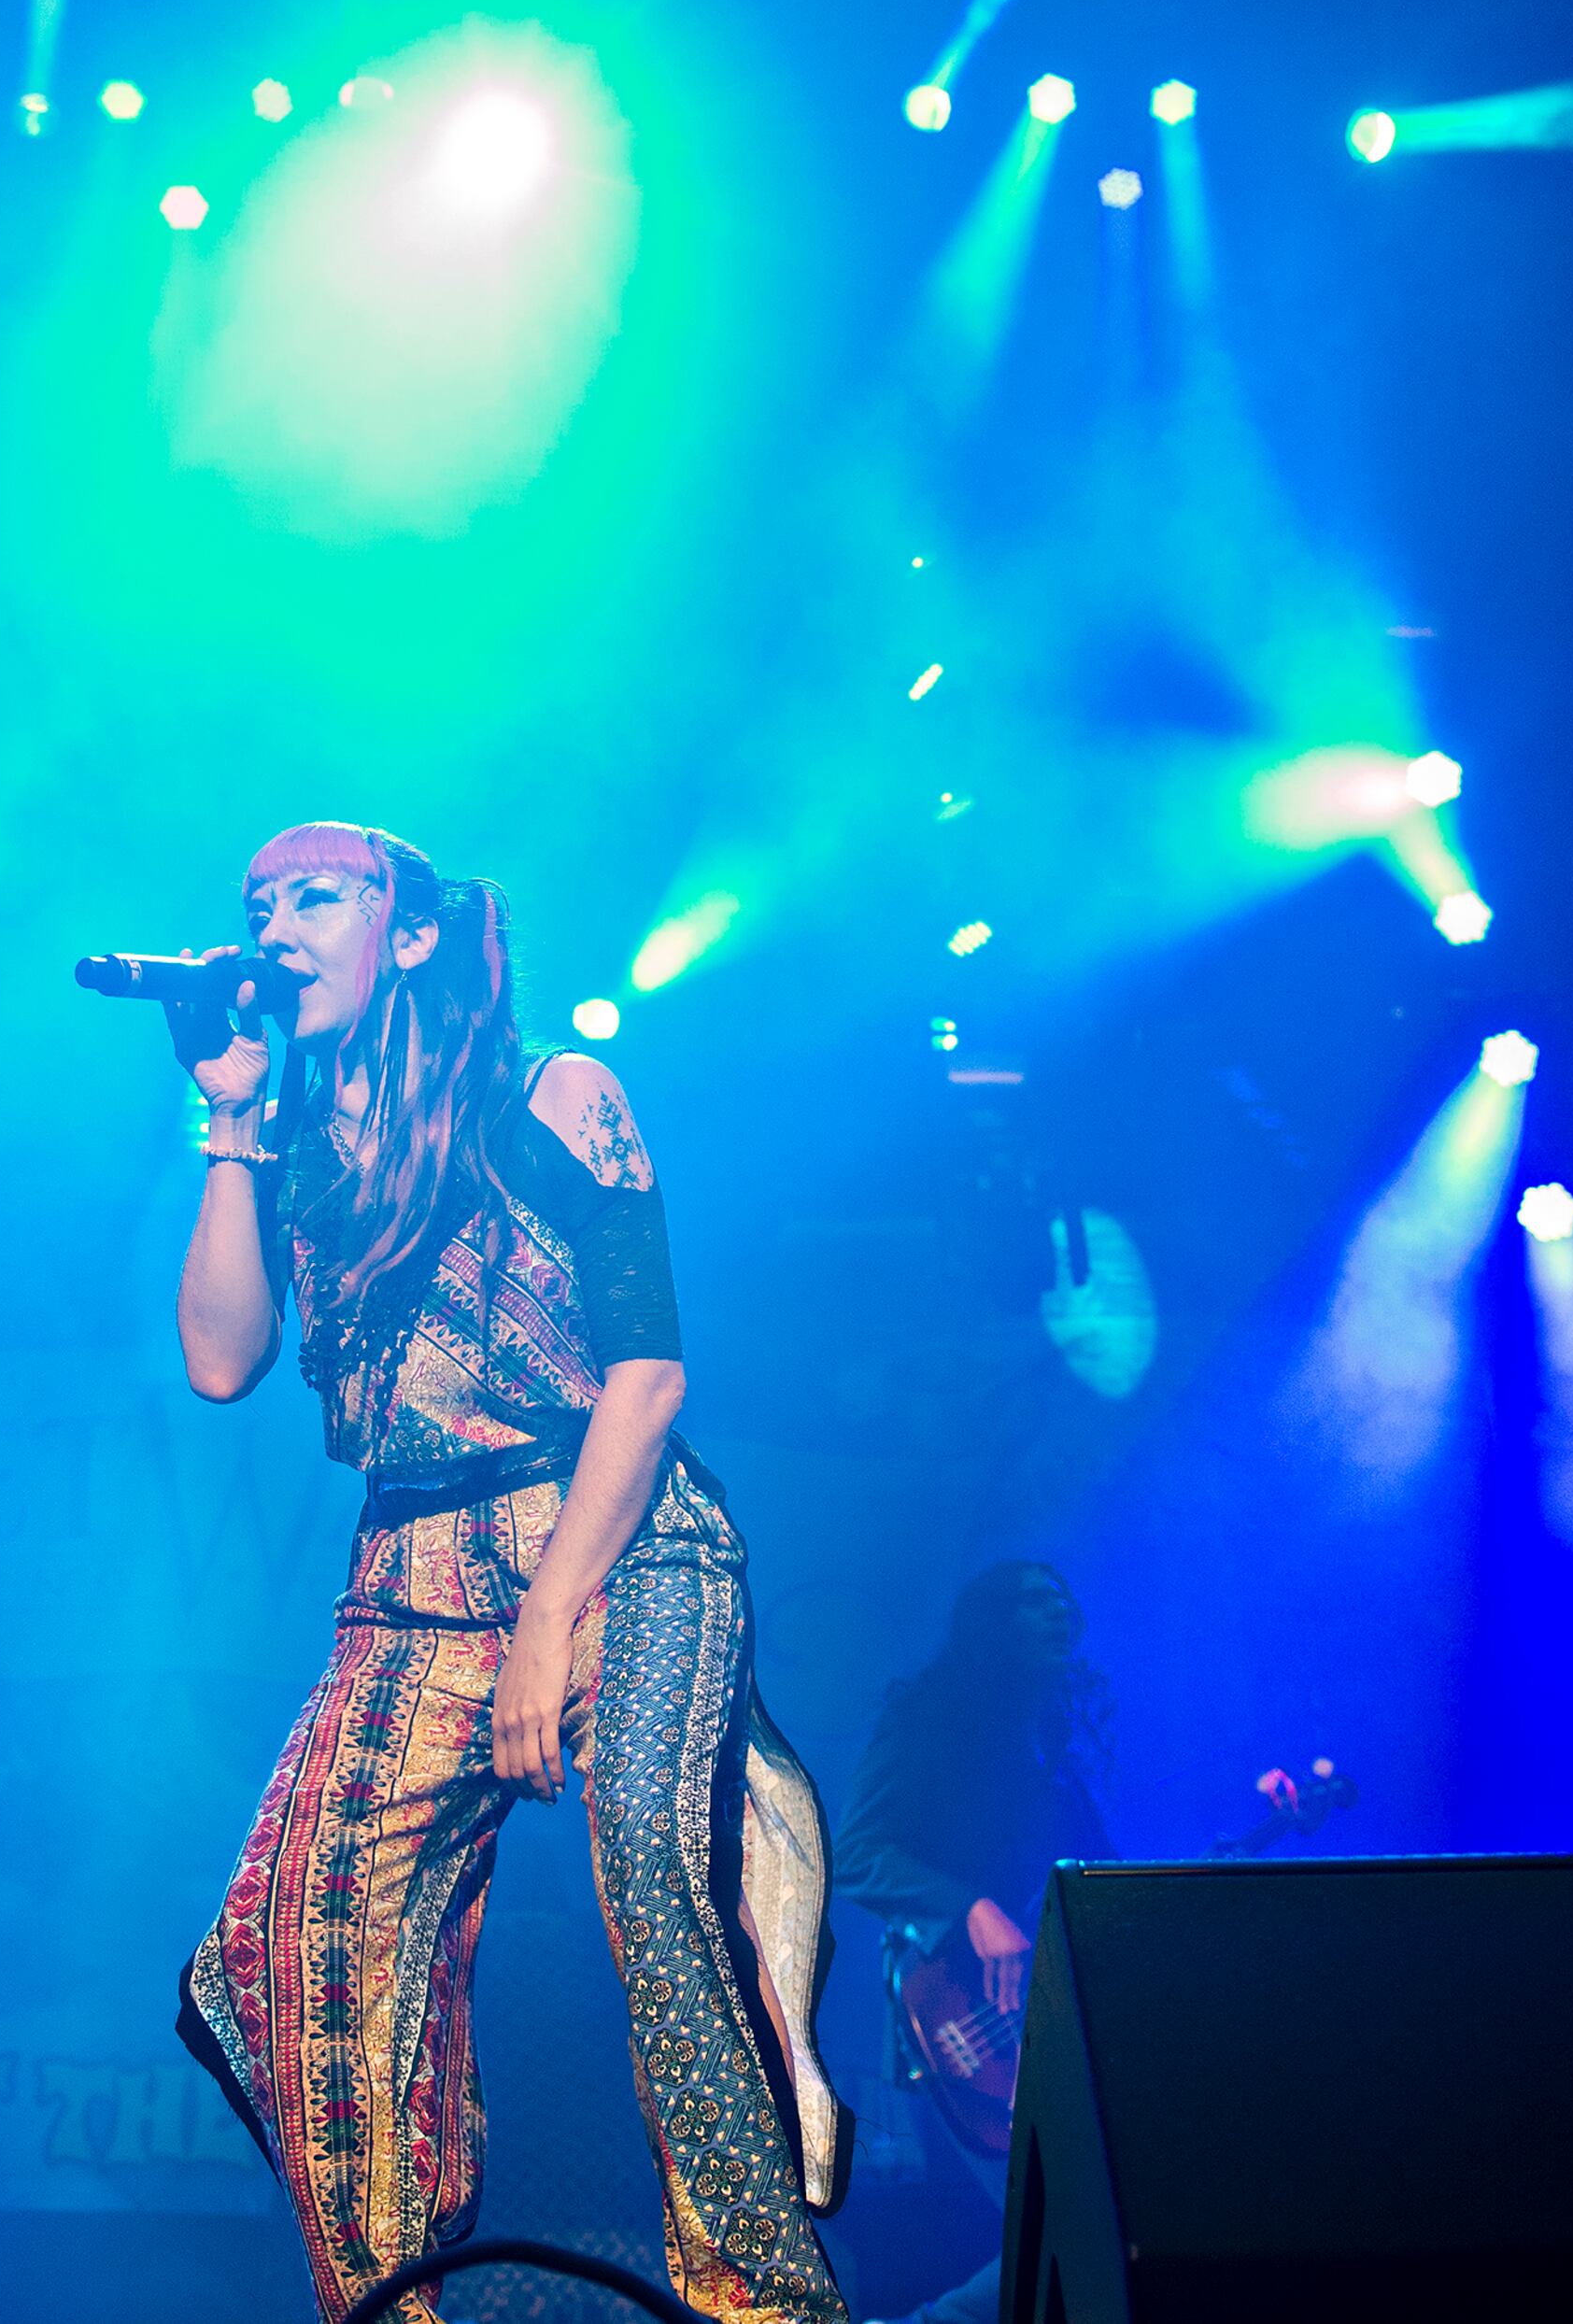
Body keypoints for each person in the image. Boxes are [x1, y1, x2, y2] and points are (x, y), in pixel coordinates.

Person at [167, 822, 852, 2324]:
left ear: (410, 934)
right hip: (408, 1572)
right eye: (256, 903)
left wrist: (550, 1618)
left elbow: (649, 1375)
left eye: (313, 898)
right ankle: (396, 2302)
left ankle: (762, 2300)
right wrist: (229, 1122)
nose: (274, 927)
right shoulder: (290, 1133)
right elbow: (222, 1362)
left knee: (661, 1869)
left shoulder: (559, 1096)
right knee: (289, 1932)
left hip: (618, 1539)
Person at [829, 1562, 1117, 2324]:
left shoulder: (1052, 1736)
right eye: (1033, 1601)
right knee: (1069, 2221)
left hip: (1046, 2014)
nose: (1057, 1612)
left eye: (1063, 1597)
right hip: (951, 2002)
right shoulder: (929, 1714)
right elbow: (855, 1851)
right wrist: (971, 1910)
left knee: (1089, 2219)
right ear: (992, 1622)